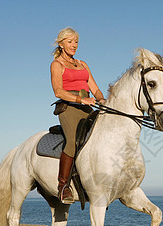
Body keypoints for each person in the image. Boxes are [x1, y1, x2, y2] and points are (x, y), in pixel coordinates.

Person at [50, 27, 105, 203]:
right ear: (61, 44)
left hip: (87, 105)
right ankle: (63, 186)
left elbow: (94, 88)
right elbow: (58, 91)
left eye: (76, 42)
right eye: (70, 42)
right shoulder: (57, 65)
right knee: (73, 142)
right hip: (69, 108)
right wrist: (81, 100)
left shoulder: (83, 64)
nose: (74, 45)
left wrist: (102, 100)